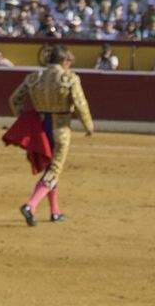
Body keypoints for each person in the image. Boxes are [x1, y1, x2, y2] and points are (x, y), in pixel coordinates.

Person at [8, 44, 95, 227]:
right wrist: (88, 125)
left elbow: (14, 99)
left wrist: (25, 119)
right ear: (64, 61)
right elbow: (80, 104)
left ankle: (55, 212)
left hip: (40, 129)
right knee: (54, 170)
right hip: (60, 129)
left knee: (50, 170)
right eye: (69, 61)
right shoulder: (69, 78)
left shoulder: (34, 77)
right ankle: (31, 205)